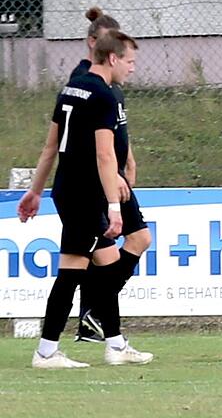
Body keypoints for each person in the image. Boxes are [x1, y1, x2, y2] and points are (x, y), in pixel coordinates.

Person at [18, 29, 153, 368]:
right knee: (71, 272)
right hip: (86, 194)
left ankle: (116, 345)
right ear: (112, 58)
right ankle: (46, 352)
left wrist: (36, 190)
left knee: (107, 268)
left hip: (70, 189)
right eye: (129, 61)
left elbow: (51, 146)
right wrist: (112, 207)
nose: (132, 68)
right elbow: (104, 156)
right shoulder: (102, 96)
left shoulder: (71, 89)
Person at [68, 7, 152, 343]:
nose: (126, 63)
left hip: (113, 171)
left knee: (132, 241)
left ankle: (94, 315)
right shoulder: (85, 82)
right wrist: (112, 172)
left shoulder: (112, 82)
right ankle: (95, 316)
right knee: (103, 252)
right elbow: (87, 136)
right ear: (95, 45)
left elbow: (116, 126)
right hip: (99, 178)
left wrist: (127, 159)